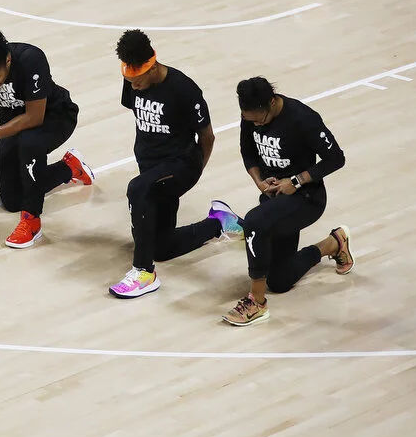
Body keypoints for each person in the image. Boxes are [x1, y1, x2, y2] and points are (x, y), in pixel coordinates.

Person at [108, 30, 238, 299]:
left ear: (153, 67)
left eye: (138, 81)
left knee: (137, 189)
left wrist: (193, 171)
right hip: (151, 166)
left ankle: (144, 272)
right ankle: (220, 222)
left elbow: (207, 136)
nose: (133, 87)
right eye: (128, 80)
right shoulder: (132, 77)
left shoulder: (183, 89)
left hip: (180, 165)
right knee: (162, 247)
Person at [218, 76, 352, 326]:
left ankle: (256, 303)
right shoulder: (251, 115)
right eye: (250, 120)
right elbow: (248, 152)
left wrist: (297, 181)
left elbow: (336, 158)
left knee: (254, 222)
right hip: (274, 200)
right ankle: (333, 244)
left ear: (271, 102)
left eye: (259, 119)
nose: (255, 125)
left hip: (305, 198)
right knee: (279, 281)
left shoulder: (302, 118)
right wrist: (259, 181)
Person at [0, 29, 91, 248]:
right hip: (13, 122)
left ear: (7, 60)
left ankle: (32, 222)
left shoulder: (31, 59)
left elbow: (34, 117)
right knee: (12, 199)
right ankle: (69, 167)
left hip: (53, 117)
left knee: (30, 144)